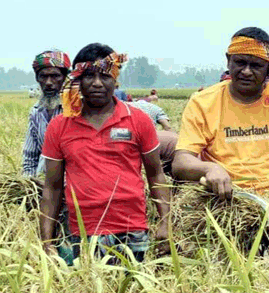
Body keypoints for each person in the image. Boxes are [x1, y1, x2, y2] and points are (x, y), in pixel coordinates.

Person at [39, 43, 171, 262]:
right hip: (80, 234)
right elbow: (51, 188)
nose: (97, 84)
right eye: (89, 76)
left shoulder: (138, 121)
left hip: (133, 233)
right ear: (77, 80)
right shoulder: (59, 126)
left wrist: (166, 224)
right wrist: (47, 243)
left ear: (115, 80)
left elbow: (156, 175)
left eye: (105, 76)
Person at [173, 27, 269, 203]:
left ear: (268, 69)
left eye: (256, 65)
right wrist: (210, 169)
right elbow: (181, 162)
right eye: (240, 62)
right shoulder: (202, 103)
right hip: (224, 208)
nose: (246, 71)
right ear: (228, 61)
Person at [22, 50, 70, 180]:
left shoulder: (76, 111)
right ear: (37, 79)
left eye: (55, 76)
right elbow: (30, 158)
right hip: (41, 184)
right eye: (43, 76)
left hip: (72, 189)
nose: (48, 82)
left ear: (65, 78)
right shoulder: (36, 112)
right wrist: (30, 185)